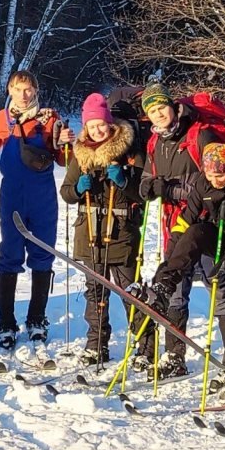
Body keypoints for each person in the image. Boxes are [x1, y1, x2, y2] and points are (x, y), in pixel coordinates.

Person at [137, 140, 225, 401]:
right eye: (210, 174)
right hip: (215, 238)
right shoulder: (203, 183)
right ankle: (164, 285)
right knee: (192, 233)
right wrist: (168, 260)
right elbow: (185, 221)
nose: (215, 180)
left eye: (220, 174)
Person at [0, 69, 71, 349]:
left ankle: (37, 318)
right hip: (12, 193)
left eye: (28, 89)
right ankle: (6, 322)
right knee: (11, 252)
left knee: (42, 251)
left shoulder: (50, 118)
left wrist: (64, 144)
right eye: (18, 88)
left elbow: (62, 160)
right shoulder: (3, 118)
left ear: (36, 91)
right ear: (10, 90)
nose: (24, 94)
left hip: (42, 194)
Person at [133, 84, 220, 377]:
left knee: (217, 287)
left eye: (161, 108)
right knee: (174, 290)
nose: (159, 115)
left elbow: (211, 181)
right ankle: (174, 356)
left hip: (207, 223)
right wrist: (150, 188)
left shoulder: (199, 134)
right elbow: (146, 180)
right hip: (174, 224)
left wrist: (171, 189)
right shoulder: (154, 143)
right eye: (152, 111)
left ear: (172, 106)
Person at [59, 94, 144, 367]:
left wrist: (124, 181)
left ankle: (146, 344)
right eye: (91, 125)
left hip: (121, 231)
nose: (97, 130)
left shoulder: (129, 149)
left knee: (130, 290)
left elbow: (144, 191)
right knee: (95, 292)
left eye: (101, 124)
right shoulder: (81, 152)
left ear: (109, 123)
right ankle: (96, 344)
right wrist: (78, 189)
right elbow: (66, 192)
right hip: (89, 232)